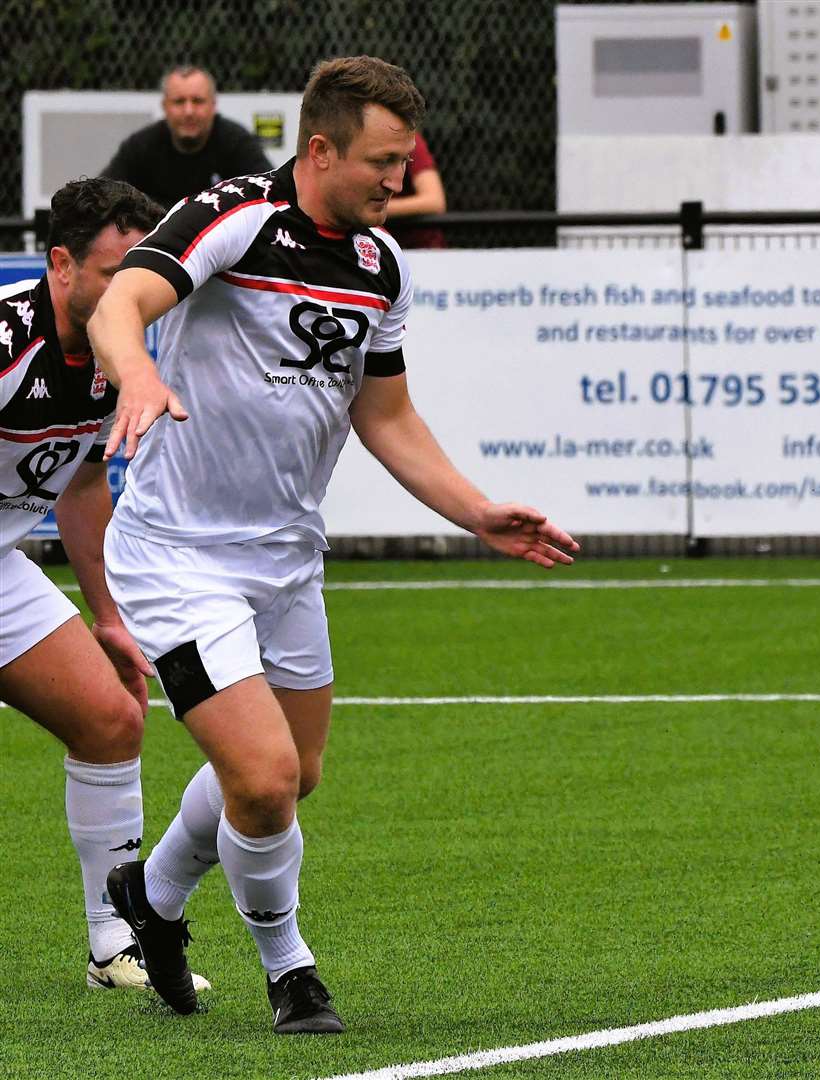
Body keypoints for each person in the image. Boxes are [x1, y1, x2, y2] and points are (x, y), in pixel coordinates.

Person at [87, 55, 578, 1035]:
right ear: (320, 150)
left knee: (290, 775)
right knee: (263, 780)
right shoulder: (233, 216)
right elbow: (117, 305)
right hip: (178, 554)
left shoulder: (378, 267)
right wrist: (137, 376)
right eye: (383, 163)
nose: (399, 183)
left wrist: (476, 512)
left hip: (284, 559)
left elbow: (386, 417)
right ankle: (291, 970)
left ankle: (154, 899)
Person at [0, 177, 212, 994]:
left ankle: (112, 942)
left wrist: (109, 616)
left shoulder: (116, 353)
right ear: (60, 264)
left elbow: (85, 487)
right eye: (112, 273)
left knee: (110, 719)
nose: (131, 293)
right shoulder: (10, 339)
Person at [103, 66, 273, 209]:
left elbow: (271, 196)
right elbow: (104, 196)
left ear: (213, 105)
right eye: (179, 101)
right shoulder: (140, 147)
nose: (188, 111)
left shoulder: (237, 143)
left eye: (198, 101)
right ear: (165, 106)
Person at [384, 130, 446, 248]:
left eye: (403, 160)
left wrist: (375, 207)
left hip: (421, 248)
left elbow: (434, 201)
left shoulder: (408, 139)